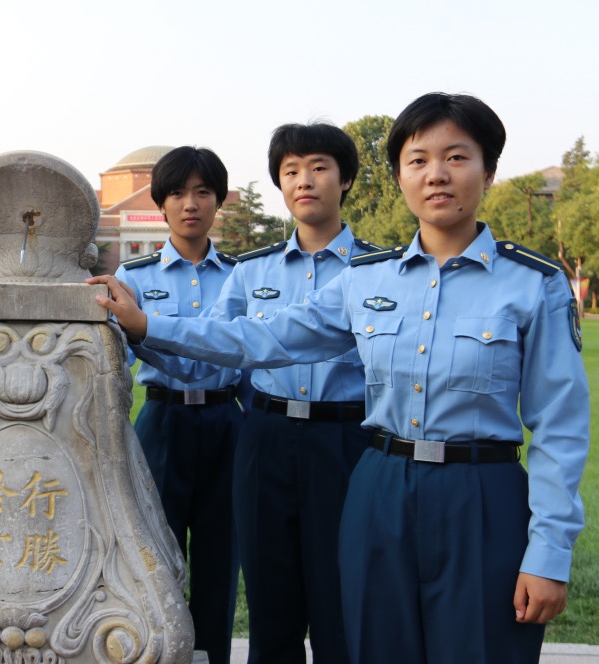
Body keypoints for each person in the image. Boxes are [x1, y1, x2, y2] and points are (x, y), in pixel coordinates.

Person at [90, 93, 588, 664]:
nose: (437, 175)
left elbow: (559, 426)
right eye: (418, 160)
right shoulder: (365, 283)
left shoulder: (533, 284)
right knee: (372, 644)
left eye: (457, 157)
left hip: (480, 490)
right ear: (399, 176)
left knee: (475, 646)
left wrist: (549, 551)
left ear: (489, 170)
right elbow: (263, 338)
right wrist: (147, 323)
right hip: (379, 484)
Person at [216, 123, 372, 663]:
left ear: (346, 178)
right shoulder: (251, 271)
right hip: (267, 438)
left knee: (341, 600)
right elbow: (218, 348)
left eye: (319, 167)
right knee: (270, 600)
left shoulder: (381, 271)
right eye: (290, 171)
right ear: (281, 185)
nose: (304, 180)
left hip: (348, 441)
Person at [113, 146, 245, 664]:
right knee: (154, 551)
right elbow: (116, 357)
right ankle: (159, 651)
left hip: (225, 421)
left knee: (220, 553)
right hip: (162, 421)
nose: (190, 203)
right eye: (177, 194)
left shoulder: (242, 275)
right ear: (160, 204)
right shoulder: (134, 274)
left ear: (219, 202)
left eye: (203, 192)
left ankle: (210, 651)